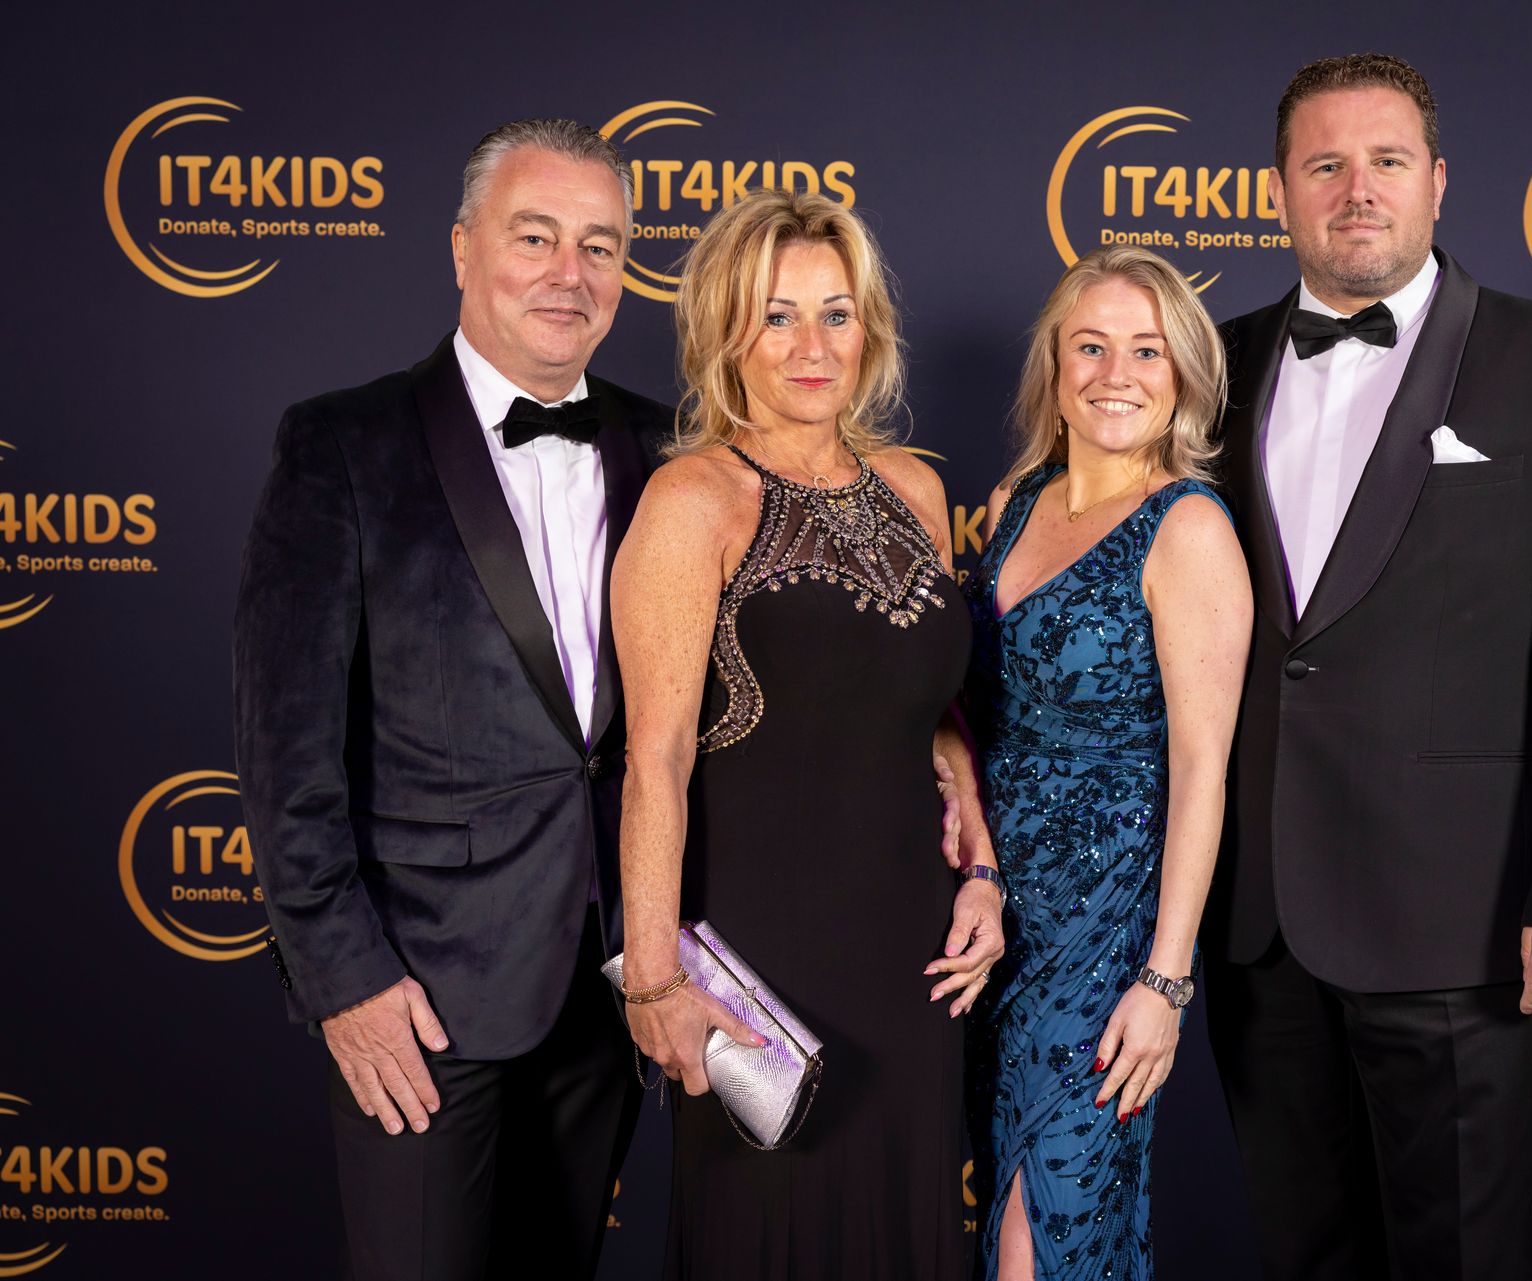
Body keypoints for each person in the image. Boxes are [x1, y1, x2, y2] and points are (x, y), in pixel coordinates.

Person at [1205, 54, 1532, 1280]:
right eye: (1325, 164)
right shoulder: (1211, 366)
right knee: (1303, 1251)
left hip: (1457, 916)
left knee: (1462, 1256)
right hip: (1255, 919)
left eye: (1387, 161)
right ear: (1278, 191)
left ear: (1439, 181)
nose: (1357, 190)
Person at [233, 118, 671, 1280]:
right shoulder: (341, 444)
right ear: (464, 247)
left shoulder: (671, 448)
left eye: (600, 246)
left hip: (609, 983)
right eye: (535, 237)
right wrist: (346, 981)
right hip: (419, 993)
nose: (570, 274)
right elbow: (285, 754)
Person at [610, 187, 1003, 1281]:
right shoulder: (693, 499)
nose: (812, 346)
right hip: (762, 965)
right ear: (725, 330)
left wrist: (981, 860)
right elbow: (657, 758)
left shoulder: (915, 487)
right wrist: (653, 979)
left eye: (837, 314)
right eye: (777, 316)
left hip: (913, 949)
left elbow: (921, 700)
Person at [960, 245, 1253, 1281]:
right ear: (1055, 368)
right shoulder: (1014, 500)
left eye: (1146, 350)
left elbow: (1204, 770)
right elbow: (968, 714)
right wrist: (977, 865)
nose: (1115, 373)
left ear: (1182, 377)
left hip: (1104, 931)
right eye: (1090, 346)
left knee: (1041, 1229)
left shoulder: (1188, 528)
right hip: (990, 919)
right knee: (995, 1197)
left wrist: (1164, 980)